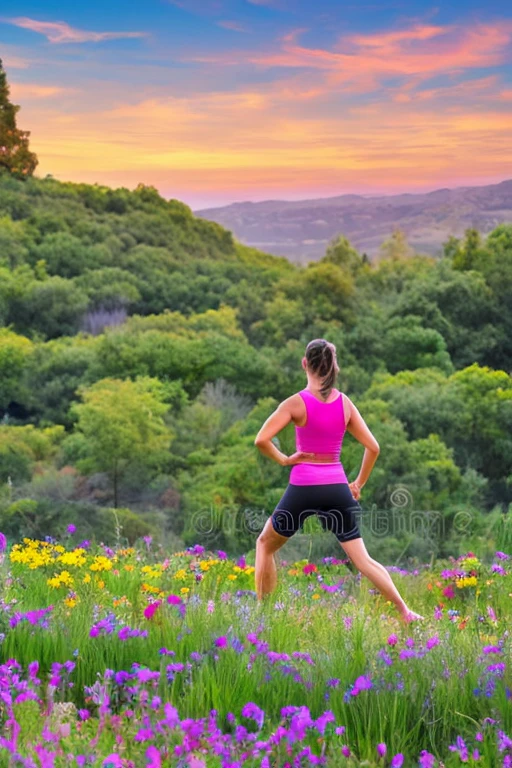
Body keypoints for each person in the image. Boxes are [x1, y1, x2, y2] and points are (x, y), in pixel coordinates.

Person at [254, 338, 423, 623]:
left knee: (265, 545)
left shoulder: (296, 402)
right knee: (364, 561)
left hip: (303, 488)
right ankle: (405, 613)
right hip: (337, 488)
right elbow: (374, 447)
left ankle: (264, 617)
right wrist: (358, 483)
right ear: (334, 367)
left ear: (304, 363)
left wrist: (285, 459)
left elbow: (261, 440)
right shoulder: (345, 403)